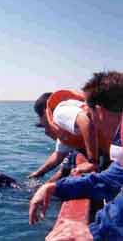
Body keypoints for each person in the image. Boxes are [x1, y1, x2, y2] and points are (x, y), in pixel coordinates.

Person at [29, 71, 123, 241]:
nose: (91, 122)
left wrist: (96, 231)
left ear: (99, 111)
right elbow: (111, 179)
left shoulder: (61, 112)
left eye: (90, 113)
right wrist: (54, 187)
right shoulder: (119, 139)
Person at [29, 89, 98, 182]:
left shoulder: (59, 112)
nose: (40, 121)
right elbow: (58, 155)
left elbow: (85, 120)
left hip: (106, 150)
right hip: (104, 147)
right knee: (68, 164)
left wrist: (92, 161)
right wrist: (38, 173)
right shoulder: (64, 126)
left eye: (39, 116)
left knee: (73, 161)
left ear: (45, 112)